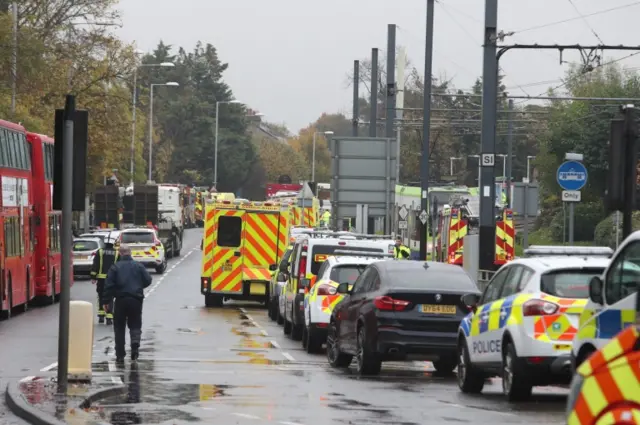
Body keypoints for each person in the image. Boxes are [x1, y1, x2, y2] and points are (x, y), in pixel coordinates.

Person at [102, 244, 152, 363]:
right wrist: (139, 287)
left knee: (119, 327)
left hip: (121, 300)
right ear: (130, 253)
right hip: (136, 299)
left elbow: (108, 286)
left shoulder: (115, 267)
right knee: (135, 324)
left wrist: (105, 301)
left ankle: (120, 354)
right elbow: (148, 280)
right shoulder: (138, 266)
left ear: (120, 253)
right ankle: (135, 345)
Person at [90, 234, 119, 325]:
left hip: (101, 280)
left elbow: (95, 265)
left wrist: (93, 277)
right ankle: (109, 317)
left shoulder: (100, 251)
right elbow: (119, 267)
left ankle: (101, 316)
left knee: (101, 297)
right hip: (112, 280)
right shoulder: (117, 253)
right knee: (110, 297)